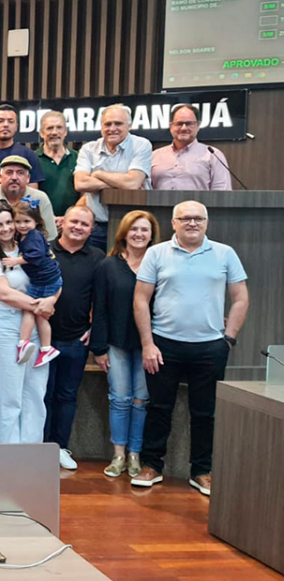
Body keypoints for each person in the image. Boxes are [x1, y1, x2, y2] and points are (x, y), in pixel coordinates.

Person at [132, 201, 248, 496]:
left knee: (205, 413)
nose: (192, 223)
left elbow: (240, 298)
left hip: (210, 348)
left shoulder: (225, 253)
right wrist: (147, 344)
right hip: (163, 346)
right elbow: (140, 299)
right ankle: (151, 466)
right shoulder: (156, 253)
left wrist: (228, 339)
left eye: (198, 218)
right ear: (174, 223)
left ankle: (201, 471)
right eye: (185, 218)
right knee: (158, 409)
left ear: (207, 222)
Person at [0, 202, 55, 444]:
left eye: (9, 222)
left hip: (34, 328)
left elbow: (53, 275)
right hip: (4, 327)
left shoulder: (29, 248)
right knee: (9, 399)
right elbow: (4, 293)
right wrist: (40, 305)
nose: (6, 228)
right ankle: (8, 457)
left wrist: (51, 299)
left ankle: (31, 454)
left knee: (35, 394)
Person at [91, 210, 160, 479]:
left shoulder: (159, 264)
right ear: (124, 233)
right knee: (119, 399)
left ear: (152, 235)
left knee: (140, 401)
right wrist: (99, 348)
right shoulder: (108, 266)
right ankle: (119, 455)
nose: (138, 234)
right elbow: (100, 308)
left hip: (148, 345)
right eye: (134, 229)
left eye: (144, 230)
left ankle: (135, 455)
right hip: (116, 343)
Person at [38, 205, 104, 469]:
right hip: (42, 338)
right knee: (41, 394)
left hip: (76, 340)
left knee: (66, 396)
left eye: (84, 224)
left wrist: (94, 328)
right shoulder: (44, 251)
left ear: (92, 229)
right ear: (62, 222)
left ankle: (59, 447)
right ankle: (39, 447)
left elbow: (102, 299)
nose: (78, 227)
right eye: (74, 221)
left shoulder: (98, 258)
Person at [74, 104, 152, 251]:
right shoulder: (88, 149)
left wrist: (98, 174)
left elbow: (132, 183)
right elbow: (80, 183)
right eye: (108, 124)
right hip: (97, 227)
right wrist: (121, 182)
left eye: (118, 124)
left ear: (129, 126)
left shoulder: (141, 145)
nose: (112, 128)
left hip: (133, 227)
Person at [4, 201, 63, 369]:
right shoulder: (23, 236)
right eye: (18, 221)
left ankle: (23, 342)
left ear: (36, 221)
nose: (22, 225)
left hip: (46, 281)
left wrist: (16, 261)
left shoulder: (34, 236)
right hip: (46, 280)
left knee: (30, 309)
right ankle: (46, 348)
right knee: (39, 314)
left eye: (27, 221)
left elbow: (36, 255)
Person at [0, 155, 58, 241]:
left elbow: (50, 237)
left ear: (28, 178)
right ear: (0, 177)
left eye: (20, 173)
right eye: (9, 173)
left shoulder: (40, 198)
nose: (14, 177)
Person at [151, 104, 233, 191]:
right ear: (171, 126)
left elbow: (222, 192)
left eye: (189, 123)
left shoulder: (212, 155)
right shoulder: (154, 156)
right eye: (179, 124)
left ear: (198, 125)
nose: (183, 128)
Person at [0, 104, 45, 188]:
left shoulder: (29, 155)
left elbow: (33, 190)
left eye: (11, 121)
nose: (5, 125)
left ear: (16, 127)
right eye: (0, 121)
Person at [35, 111, 79, 230]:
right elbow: (31, 195)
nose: (54, 132)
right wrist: (48, 217)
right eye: (50, 128)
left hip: (73, 225)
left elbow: (86, 195)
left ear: (65, 131)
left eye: (59, 127)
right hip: (41, 225)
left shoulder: (79, 158)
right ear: (42, 133)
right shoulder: (33, 159)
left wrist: (69, 218)